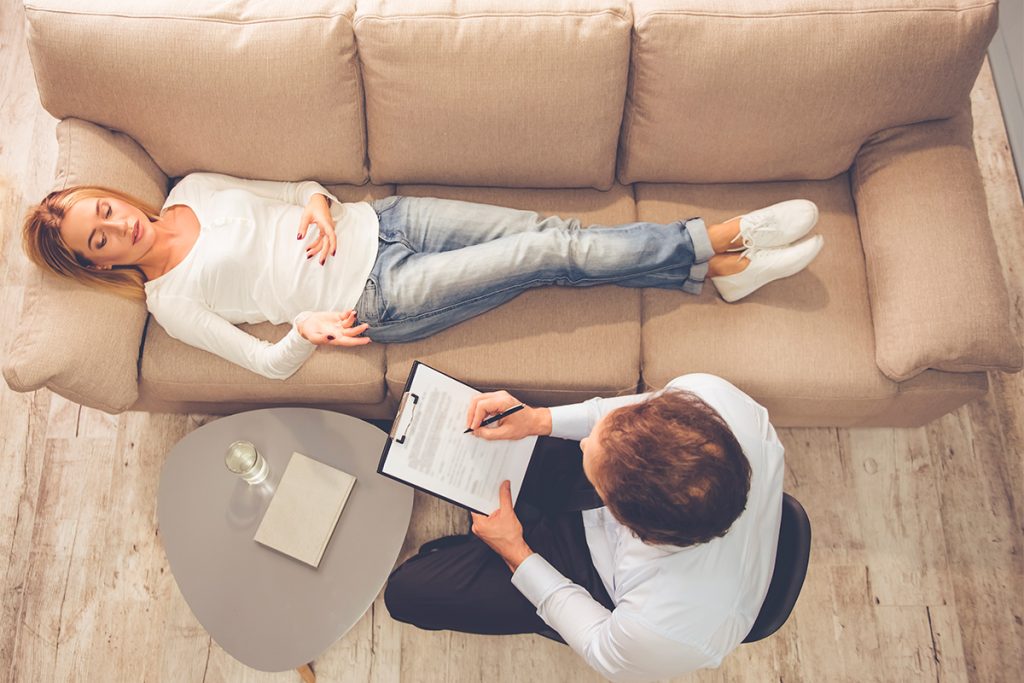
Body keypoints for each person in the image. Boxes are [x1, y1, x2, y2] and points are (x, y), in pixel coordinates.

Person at [23, 172, 823, 379]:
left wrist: (319, 206)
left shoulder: (189, 190)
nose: (119, 226)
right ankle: (721, 238)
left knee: (555, 237)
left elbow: (298, 188)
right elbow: (263, 361)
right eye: (101, 239)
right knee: (548, 253)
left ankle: (718, 270)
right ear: (99, 264)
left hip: (389, 219)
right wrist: (303, 330)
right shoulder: (170, 303)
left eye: (106, 209)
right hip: (380, 297)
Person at [383, 373, 784, 682]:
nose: (582, 443)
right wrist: (538, 419)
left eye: (595, 476)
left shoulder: (662, 630)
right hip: (634, 504)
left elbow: (597, 642)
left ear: (629, 525)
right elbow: (611, 419)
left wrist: (515, 552)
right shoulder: (710, 398)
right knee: (468, 438)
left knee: (406, 594)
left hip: (600, 579)